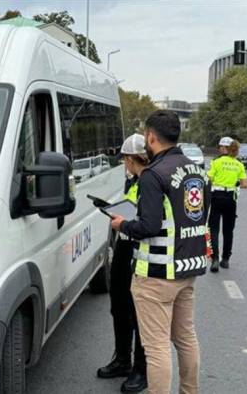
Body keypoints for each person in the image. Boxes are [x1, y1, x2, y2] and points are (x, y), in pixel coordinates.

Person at [110, 110, 210, 394]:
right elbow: (200, 217)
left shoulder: (153, 175)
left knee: (155, 348)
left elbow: (148, 226)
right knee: (186, 338)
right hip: (188, 268)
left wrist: (122, 224)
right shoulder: (197, 170)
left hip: (157, 273)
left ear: (151, 137)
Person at [97, 133, 148, 393]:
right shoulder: (134, 181)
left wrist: (125, 221)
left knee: (139, 312)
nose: (125, 165)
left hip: (142, 250)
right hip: (124, 245)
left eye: (125, 160)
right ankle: (122, 360)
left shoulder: (152, 181)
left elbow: (149, 220)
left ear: (130, 159)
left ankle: (142, 369)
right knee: (119, 304)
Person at [207, 136, 247, 273]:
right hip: (231, 198)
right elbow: (245, 184)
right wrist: (234, 182)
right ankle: (226, 259)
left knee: (213, 228)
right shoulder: (239, 164)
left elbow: (209, 179)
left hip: (217, 197)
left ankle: (214, 259)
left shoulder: (216, 162)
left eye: (220, 147)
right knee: (228, 230)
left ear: (224, 148)